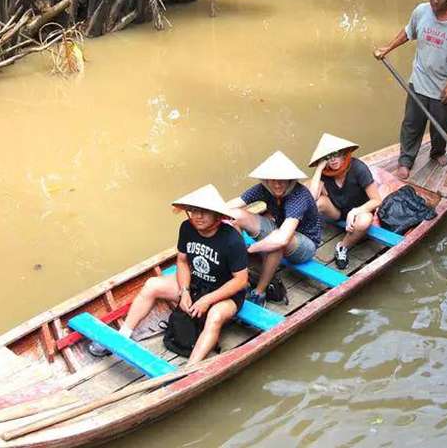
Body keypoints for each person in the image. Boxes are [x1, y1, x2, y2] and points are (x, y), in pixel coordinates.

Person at [90, 184, 248, 365]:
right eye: (193, 211)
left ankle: (189, 369)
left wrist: (208, 300)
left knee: (215, 316)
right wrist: (185, 291)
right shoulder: (187, 228)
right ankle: (123, 335)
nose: (197, 216)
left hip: (225, 293)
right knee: (152, 285)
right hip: (196, 283)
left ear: (218, 216)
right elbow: (182, 261)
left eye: (204, 211)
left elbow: (240, 281)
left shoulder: (232, 240)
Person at [373, 0, 447, 180]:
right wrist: (387, 48)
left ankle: (437, 152)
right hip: (419, 82)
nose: (435, 1)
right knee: (411, 123)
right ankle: (406, 160)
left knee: (441, 126)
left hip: (443, 85)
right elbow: (408, 32)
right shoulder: (421, 11)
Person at [229, 151, 322, 307]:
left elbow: (283, 238)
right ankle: (241, 275)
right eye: (273, 180)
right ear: (266, 180)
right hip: (279, 230)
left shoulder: (299, 195)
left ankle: (259, 292)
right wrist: (206, 212)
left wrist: (249, 249)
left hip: (305, 244)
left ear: (290, 181)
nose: (277, 185)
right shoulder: (263, 188)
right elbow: (233, 205)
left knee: (277, 243)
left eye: (282, 181)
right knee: (235, 215)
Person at [307, 133, 381, 270]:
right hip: (338, 210)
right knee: (318, 203)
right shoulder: (325, 172)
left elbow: (377, 200)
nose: (333, 159)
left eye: (336, 154)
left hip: (360, 211)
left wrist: (355, 212)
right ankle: (308, 235)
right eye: (328, 157)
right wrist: (318, 169)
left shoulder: (358, 168)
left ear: (344, 153)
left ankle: (342, 247)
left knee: (364, 222)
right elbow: (312, 198)